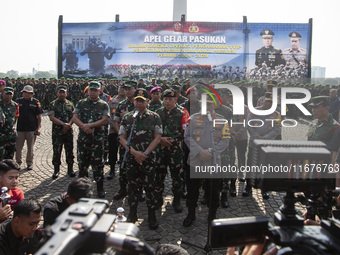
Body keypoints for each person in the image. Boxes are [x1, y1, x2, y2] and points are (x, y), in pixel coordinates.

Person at [183, 95, 230, 227]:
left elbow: (225, 140)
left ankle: (212, 214)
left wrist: (210, 152)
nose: (207, 107)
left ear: (214, 105)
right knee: (192, 189)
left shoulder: (222, 121)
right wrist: (199, 151)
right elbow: (187, 136)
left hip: (212, 161)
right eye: (204, 104)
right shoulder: (193, 119)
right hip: (195, 160)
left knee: (213, 190)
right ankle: (191, 214)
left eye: (210, 104)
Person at [119, 88, 162, 230]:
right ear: (133, 102)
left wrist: (145, 153)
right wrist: (134, 152)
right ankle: (132, 213)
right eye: (137, 101)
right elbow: (122, 138)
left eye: (142, 102)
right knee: (132, 186)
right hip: (132, 158)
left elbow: (157, 137)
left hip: (148, 158)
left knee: (150, 187)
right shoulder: (127, 117)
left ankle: (151, 215)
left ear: (147, 102)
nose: (139, 104)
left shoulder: (155, 117)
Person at [72, 81, 109, 198]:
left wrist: (90, 125)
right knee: (82, 165)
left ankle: (100, 188)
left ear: (99, 91)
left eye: (95, 90)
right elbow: (74, 117)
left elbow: (104, 120)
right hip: (83, 140)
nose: (93, 92)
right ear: (88, 91)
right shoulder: (81, 103)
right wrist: (84, 126)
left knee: (98, 165)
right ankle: (83, 189)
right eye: (91, 90)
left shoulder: (103, 104)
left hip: (97, 141)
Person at [156, 89, 189, 213]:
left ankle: (177, 200)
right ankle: (158, 198)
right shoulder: (157, 112)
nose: (167, 101)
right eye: (165, 99)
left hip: (176, 150)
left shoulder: (182, 113)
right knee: (159, 175)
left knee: (177, 176)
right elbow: (153, 131)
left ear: (176, 99)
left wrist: (170, 141)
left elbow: (185, 132)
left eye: (170, 99)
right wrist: (161, 140)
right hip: (160, 150)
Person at [243, 92, 282, 199]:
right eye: (267, 101)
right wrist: (257, 137)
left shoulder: (276, 115)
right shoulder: (254, 111)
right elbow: (249, 124)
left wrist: (265, 138)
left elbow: (277, 129)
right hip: (254, 144)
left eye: (271, 102)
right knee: (251, 165)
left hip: (267, 145)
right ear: (263, 100)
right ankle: (248, 186)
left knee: (265, 166)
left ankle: (264, 188)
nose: (269, 104)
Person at [113, 81, 136, 200]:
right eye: (125, 89)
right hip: (124, 140)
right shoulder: (121, 104)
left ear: (135, 89)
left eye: (129, 89)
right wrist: (120, 134)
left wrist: (129, 115)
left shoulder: (141, 103)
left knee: (138, 166)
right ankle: (123, 188)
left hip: (138, 141)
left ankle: (138, 190)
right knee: (123, 164)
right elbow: (115, 121)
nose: (127, 91)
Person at [47, 86, 75, 179]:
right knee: (57, 150)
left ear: (66, 94)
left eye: (64, 92)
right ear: (57, 93)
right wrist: (63, 124)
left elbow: (74, 116)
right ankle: (56, 170)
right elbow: (51, 117)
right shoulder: (52, 104)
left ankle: (70, 169)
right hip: (57, 132)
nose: (62, 94)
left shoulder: (70, 104)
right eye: (60, 92)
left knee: (69, 150)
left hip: (68, 131)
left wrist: (69, 125)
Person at [15, 85, 42, 171]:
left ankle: (29, 163)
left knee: (30, 148)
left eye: (29, 93)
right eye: (25, 92)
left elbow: (39, 117)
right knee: (18, 148)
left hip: (31, 129)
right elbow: (14, 116)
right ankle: (18, 163)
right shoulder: (18, 101)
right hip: (20, 129)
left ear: (32, 94)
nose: (27, 94)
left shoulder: (35, 102)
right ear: (22, 93)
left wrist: (38, 128)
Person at [107, 83, 126, 179]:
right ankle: (112, 169)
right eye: (120, 88)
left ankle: (123, 171)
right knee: (112, 150)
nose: (122, 90)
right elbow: (109, 116)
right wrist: (114, 126)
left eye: (124, 88)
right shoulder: (113, 101)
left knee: (124, 151)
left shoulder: (131, 101)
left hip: (126, 131)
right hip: (113, 130)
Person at [0, 87, 18, 160]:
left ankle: (9, 171)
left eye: (10, 94)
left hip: (11, 135)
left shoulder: (15, 105)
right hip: (1, 134)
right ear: (2, 94)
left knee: (10, 157)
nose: (8, 96)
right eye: (6, 94)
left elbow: (15, 117)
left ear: (13, 95)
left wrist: (13, 126)